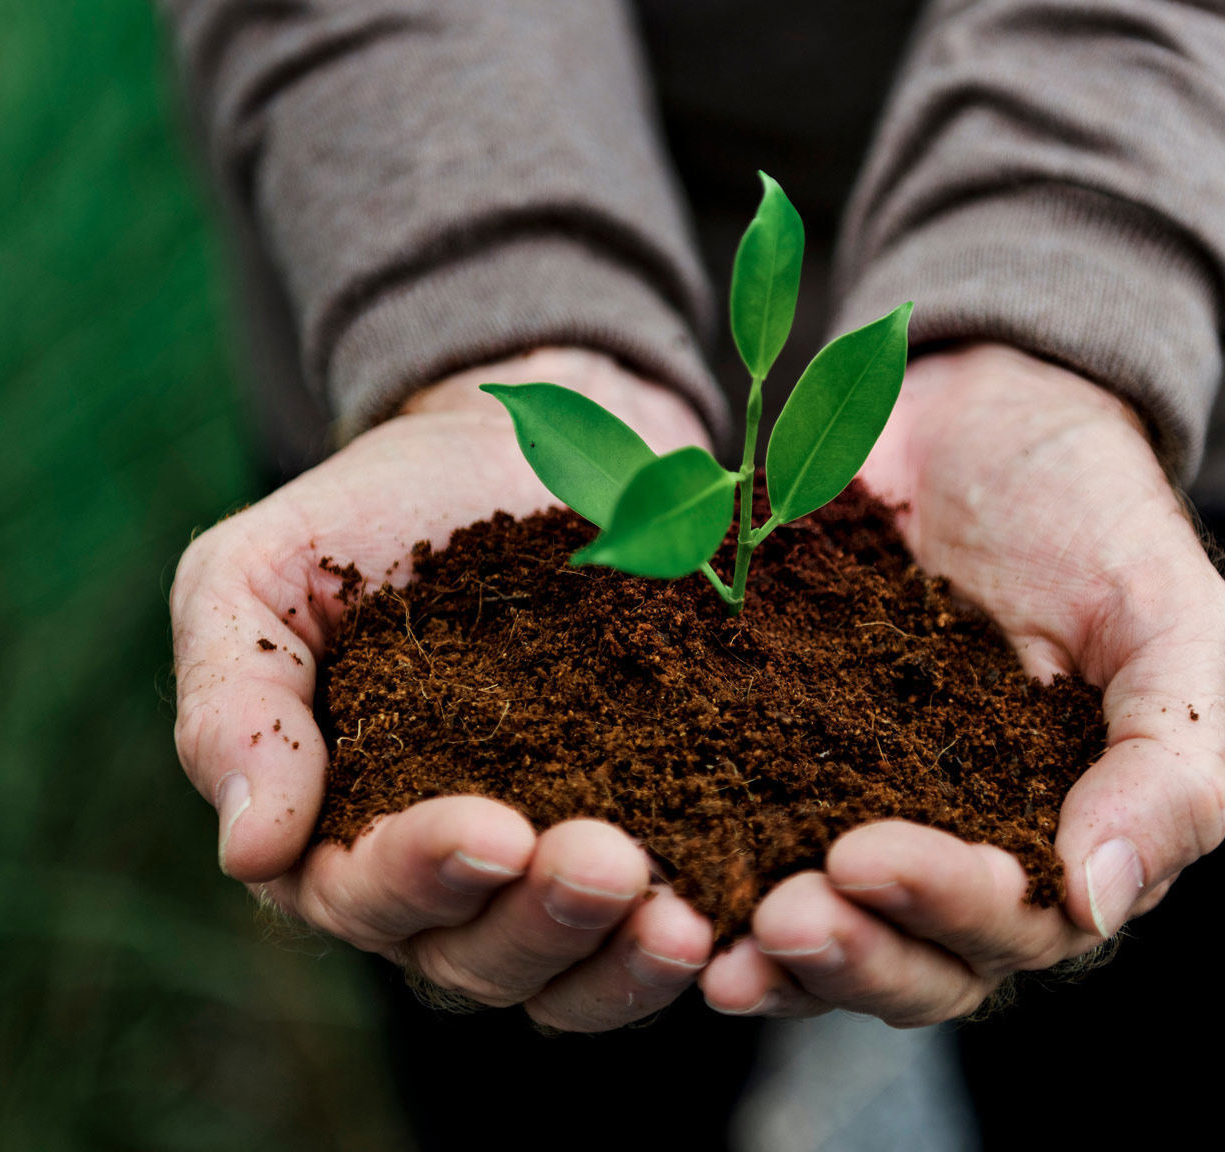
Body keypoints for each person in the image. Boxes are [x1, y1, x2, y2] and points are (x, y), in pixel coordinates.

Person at [162, 1, 1225, 1144]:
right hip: (405, 290)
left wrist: (1069, 295)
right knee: (546, 1069)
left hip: (1153, 299)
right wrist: (483, 301)